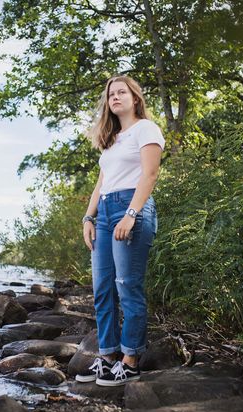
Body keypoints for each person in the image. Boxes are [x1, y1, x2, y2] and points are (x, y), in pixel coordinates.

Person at [75, 75, 165, 386]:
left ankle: (131, 360)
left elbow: (150, 174)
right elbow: (101, 184)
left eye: (121, 92)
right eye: (111, 94)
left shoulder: (146, 129)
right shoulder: (112, 139)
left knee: (127, 286)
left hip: (131, 207)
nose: (115, 97)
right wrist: (88, 217)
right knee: (102, 289)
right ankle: (108, 356)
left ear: (135, 98)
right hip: (104, 213)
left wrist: (131, 213)